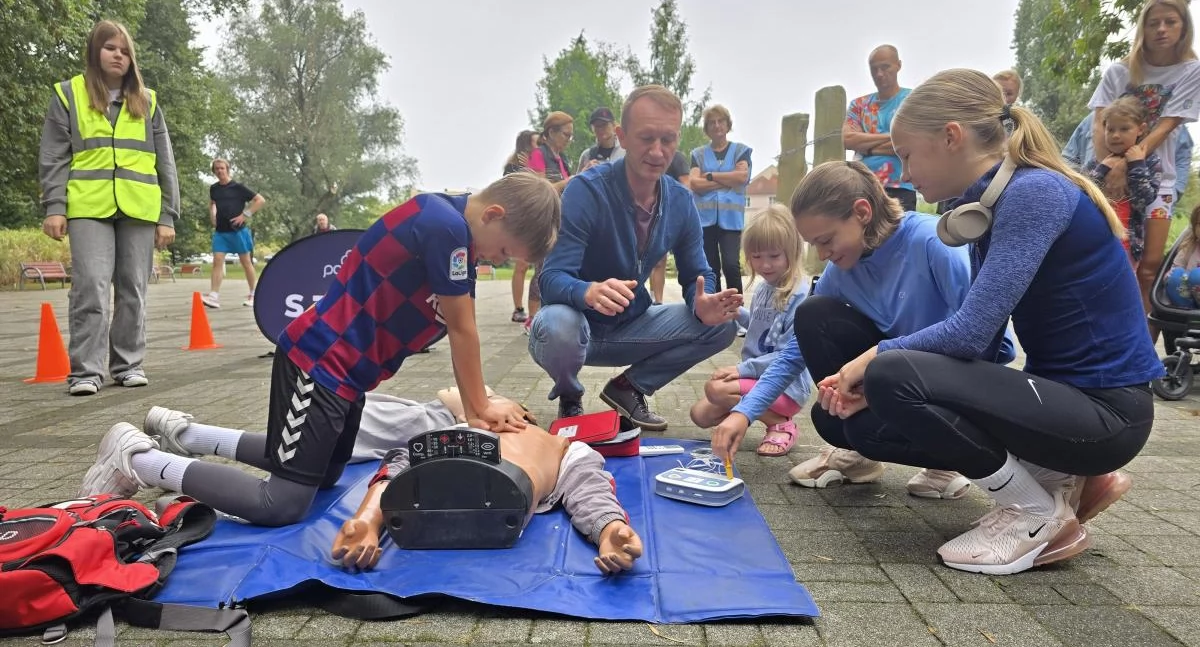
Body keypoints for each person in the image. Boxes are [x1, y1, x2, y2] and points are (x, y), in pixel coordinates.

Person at [774, 68, 1161, 575]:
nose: (905, 172)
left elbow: (971, 333)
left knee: (890, 373)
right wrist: (880, 390)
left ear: (951, 137)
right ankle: (1062, 479)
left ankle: (1034, 511)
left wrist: (872, 362)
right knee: (860, 421)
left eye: (908, 154)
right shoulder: (989, 204)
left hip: (1109, 414)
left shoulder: (1035, 193)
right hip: (1065, 404)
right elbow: (977, 346)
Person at [77, 173, 562, 527]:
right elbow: (463, 328)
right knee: (283, 503)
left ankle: (188, 435)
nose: (497, 262)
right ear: (493, 215)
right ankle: (137, 459)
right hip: (319, 364)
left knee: (324, 474)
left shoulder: (452, 226)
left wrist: (481, 402)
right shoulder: (447, 229)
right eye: (504, 252)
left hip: (346, 377)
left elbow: (456, 325)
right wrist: (478, 408)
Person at [711, 161, 995, 500]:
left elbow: (992, 345)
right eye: (813, 245)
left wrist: (882, 371)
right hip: (896, 379)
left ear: (862, 212)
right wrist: (744, 413)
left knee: (859, 423)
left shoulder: (932, 242)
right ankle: (860, 457)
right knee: (829, 408)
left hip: (952, 388)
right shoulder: (840, 270)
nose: (822, 254)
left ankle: (950, 462)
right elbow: (793, 354)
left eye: (826, 240)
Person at [530, 85, 742, 429]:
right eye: (646, 138)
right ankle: (569, 393)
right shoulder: (586, 190)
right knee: (558, 327)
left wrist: (701, 301)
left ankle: (629, 388)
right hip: (574, 324)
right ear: (622, 136)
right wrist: (588, 291)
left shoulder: (681, 201)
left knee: (724, 324)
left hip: (632, 323)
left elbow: (698, 273)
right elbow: (550, 278)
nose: (658, 152)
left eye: (668, 139)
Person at [331, 387, 642, 574]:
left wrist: (608, 527)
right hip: (475, 464)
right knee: (410, 457)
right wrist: (485, 401)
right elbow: (450, 394)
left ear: (529, 415)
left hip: (511, 477)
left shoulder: (560, 443)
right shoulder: (473, 421)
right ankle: (368, 521)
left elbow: (588, 487)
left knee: (410, 461)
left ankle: (370, 519)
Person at [39, 19, 179, 396]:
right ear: (95, 51)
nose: (118, 55)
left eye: (124, 50)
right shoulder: (68, 94)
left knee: (133, 288)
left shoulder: (147, 100)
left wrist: (167, 215)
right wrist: (55, 206)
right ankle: (86, 372)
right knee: (90, 286)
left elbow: (165, 162)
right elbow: (53, 156)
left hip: (139, 206)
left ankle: (128, 365)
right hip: (88, 205)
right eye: (110, 48)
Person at [1089, 0, 1200, 336]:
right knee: (1109, 261)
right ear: (1143, 28)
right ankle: (1104, 336)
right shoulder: (1119, 72)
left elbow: (1166, 125)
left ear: (1184, 27)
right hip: (1108, 179)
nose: (1162, 29)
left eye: (1170, 22)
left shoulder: (1191, 70)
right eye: (1154, 23)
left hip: (1157, 180)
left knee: (1149, 267)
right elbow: (1099, 122)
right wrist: (1108, 168)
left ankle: (1140, 349)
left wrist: (1130, 162)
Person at [690, 205, 811, 457]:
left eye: (774, 256)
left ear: (792, 251)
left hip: (785, 386)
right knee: (700, 415)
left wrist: (740, 370)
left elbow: (786, 357)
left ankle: (781, 424)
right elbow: (761, 326)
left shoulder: (799, 296)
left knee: (717, 390)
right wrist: (737, 314)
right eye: (756, 256)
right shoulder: (765, 288)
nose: (765, 264)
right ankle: (745, 416)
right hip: (756, 377)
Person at [1085, 97, 1162, 264]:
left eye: (1124, 129)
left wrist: (1136, 165)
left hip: (1126, 246)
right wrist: (1102, 169)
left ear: (1140, 129)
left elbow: (1144, 199)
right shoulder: (1097, 161)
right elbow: (1084, 196)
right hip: (1094, 242)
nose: (1116, 135)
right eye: (1110, 129)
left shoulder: (1150, 162)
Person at [843, 45, 916, 212]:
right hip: (863, 186)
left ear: (898, 65)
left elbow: (912, 141)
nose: (879, 74)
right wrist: (894, 137)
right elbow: (848, 140)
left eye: (885, 67)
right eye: (874, 69)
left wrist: (867, 149)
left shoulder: (912, 100)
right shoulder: (858, 105)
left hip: (901, 185)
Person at [689, 104, 752, 297]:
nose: (717, 125)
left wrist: (710, 176)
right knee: (710, 267)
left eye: (720, 121)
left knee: (731, 264)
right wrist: (726, 180)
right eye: (712, 122)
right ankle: (714, 306)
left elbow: (742, 177)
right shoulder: (698, 154)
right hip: (705, 220)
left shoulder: (740, 151)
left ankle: (736, 306)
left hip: (731, 219)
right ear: (707, 128)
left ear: (727, 124)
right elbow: (694, 183)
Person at [524, 112, 576, 333]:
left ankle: (548, 314)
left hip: (557, 218)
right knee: (541, 269)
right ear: (551, 132)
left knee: (554, 267)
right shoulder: (538, 154)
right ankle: (532, 318)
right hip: (542, 219)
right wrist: (571, 180)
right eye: (566, 134)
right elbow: (539, 189)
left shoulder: (561, 158)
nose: (568, 140)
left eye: (571, 136)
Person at [202, 158, 266, 308]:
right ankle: (213, 296)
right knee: (217, 261)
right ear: (214, 171)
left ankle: (253, 294)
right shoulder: (214, 188)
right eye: (216, 169)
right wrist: (212, 216)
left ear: (227, 169)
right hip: (221, 232)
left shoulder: (238, 187)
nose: (219, 171)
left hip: (238, 231)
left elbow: (260, 200)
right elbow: (212, 203)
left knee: (246, 262)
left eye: (222, 168)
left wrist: (245, 215)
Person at [504, 129, 541, 324]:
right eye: (536, 143)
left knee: (539, 266)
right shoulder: (513, 167)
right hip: (520, 219)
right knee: (522, 265)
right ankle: (518, 309)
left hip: (536, 219)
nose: (539, 146)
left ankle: (538, 306)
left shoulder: (540, 162)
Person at [650, 151, 693, 305]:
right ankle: (650, 299)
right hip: (646, 212)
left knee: (659, 260)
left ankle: (658, 301)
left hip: (667, 214)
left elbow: (686, 186)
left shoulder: (677, 158)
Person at [1165, 204, 1200, 308]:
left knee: (1197, 275)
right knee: (1175, 275)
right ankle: (1186, 312)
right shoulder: (1190, 246)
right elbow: (1177, 267)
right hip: (1191, 298)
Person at [577, 107, 625, 171]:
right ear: (592, 129)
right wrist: (585, 172)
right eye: (597, 126)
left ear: (614, 125)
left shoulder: (626, 150)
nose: (600, 129)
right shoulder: (587, 155)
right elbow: (578, 177)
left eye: (604, 124)